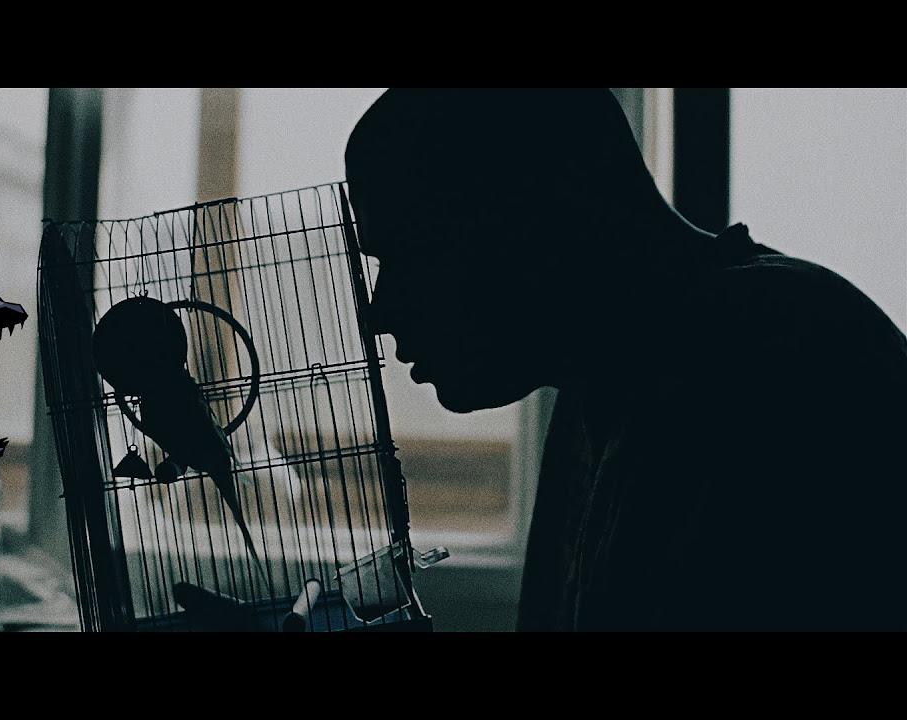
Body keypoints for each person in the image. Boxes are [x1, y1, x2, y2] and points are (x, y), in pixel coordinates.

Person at [345, 88, 907, 631]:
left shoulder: (755, 366)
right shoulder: (628, 374)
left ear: (529, 216)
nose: (380, 312)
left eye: (411, 254)